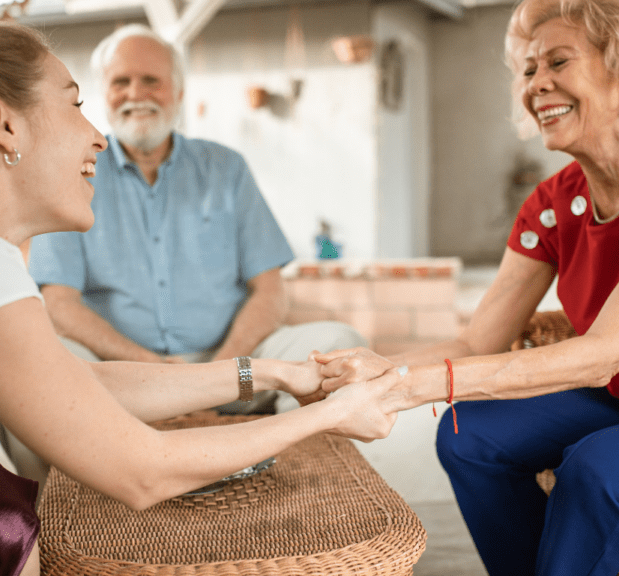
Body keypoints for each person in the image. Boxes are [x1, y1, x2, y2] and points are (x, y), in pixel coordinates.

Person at [0, 22, 400, 576]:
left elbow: (71, 382)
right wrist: (327, 415)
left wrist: (268, 372)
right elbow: (143, 471)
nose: (97, 137)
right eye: (75, 105)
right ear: (1, 121)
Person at [312, 1, 619, 575]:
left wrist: (412, 389)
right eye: (529, 69)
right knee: (469, 437)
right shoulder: (553, 203)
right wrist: (376, 370)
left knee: (600, 466)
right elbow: (476, 343)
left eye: (558, 62)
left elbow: (605, 352)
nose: (536, 83)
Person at [26, 24, 365, 395]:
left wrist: (222, 371)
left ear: (180, 92)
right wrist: (152, 367)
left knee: (337, 343)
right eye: (121, 82)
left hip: (237, 373)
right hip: (123, 377)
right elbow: (59, 303)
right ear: (104, 94)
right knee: (32, 360)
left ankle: (296, 447)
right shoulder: (73, 174)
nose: (135, 94)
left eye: (151, 80)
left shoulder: (227, 168)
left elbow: (270, 290)